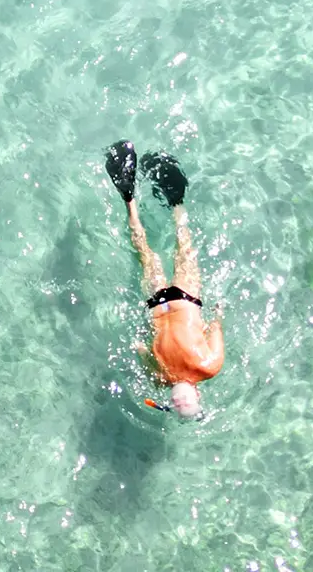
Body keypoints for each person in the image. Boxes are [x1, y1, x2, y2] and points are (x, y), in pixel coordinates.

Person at [104, 141, 225, 419]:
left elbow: (215, 324)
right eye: (187, 403)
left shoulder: (202, 367)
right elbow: (140, 346)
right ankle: (140, 199)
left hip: (180, 301)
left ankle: (161, 202)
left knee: (172, 247)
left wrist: (217, 315)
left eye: (180, 405)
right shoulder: (172, 374)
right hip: (166, 302)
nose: (182, 401)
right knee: (153, 251)